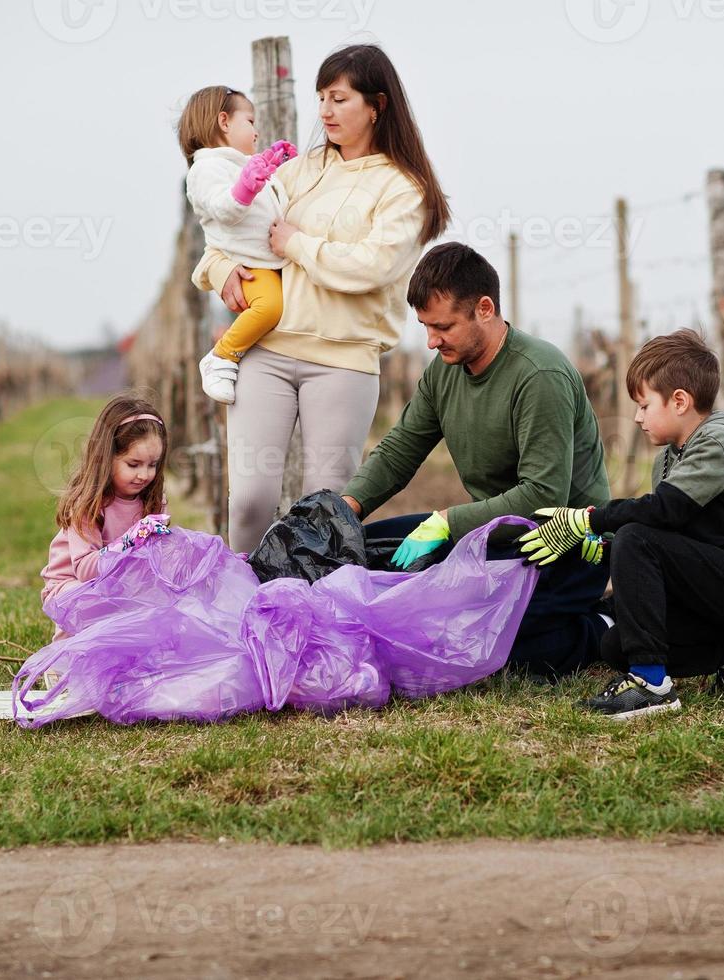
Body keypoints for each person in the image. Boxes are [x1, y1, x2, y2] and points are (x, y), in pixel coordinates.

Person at [193, 43, 451, 554]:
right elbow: (230, 230)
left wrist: (297, 245)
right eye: (321, 99)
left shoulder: (405, 189)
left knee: (321, 510)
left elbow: (373, 266)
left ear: (376, 105)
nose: (325, 112)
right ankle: (238, 613)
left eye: (339, 99)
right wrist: (218, 269)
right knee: (248, 501)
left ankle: (308, 625)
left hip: (343, 361)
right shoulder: (300, 171)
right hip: (266, 351)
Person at [340, 243, 611, 679]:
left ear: (484, 309)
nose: (431, 341)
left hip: (563, 548)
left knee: (493, 650)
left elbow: (544, 495)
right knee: (364, 553)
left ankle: (605, 624)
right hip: (491, 540)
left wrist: (447, 521)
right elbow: (400, 449)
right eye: (425, 327)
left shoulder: (539, 376)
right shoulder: (444, 369)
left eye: (443, 327)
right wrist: (345, 509)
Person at [517, 330, 724, 719]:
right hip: (716, 589)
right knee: (617, 645)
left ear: (679, 401)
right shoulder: (668, 458)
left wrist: (585, 519)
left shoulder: (718, 442)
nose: (637, 416)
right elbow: (672, 540)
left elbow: (662, 512)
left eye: (644, 405)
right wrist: (601, 549)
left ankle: (651, 687)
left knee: (637, 536)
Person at [177, 85, 297, 405]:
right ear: (224, 121)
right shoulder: (205, 169)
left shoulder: (241, 164)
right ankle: (222, 356)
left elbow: (271, 205)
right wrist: (247, 184)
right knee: (269, 307)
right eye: (251, 121)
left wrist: (275, 166)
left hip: (266, 259)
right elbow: (223, 209)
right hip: (247, 263)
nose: (257, 131)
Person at [40, 394, 170, 642]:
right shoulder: (89, 503)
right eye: (133, 464)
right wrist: (132, 539)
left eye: (152, 464)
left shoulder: (153, 499)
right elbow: (85, 570)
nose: (144, 475)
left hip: (121, 584)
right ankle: (64, 653)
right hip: (72, 589)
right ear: (106, 458)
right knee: (93, 599)